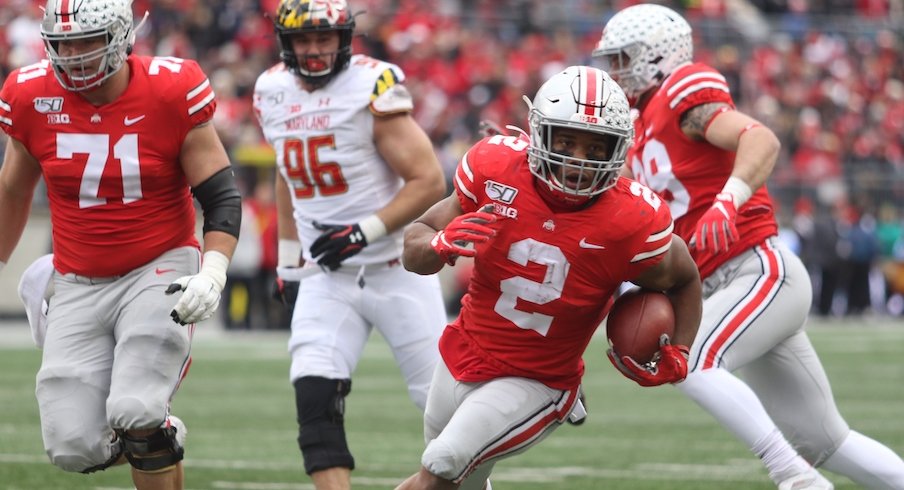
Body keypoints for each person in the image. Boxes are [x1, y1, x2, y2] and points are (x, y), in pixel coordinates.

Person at [592, 4, 904, 489]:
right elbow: (615, 198)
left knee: (690, 361)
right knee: (825, 442)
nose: (615, 70)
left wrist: (727, 202)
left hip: (756, 270)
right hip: (724, 285)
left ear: (657, 55)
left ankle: (795, 480)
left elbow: (759, 139)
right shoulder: (642, 125)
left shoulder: (681, 92)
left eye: (623, 57)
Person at [395, 65, 703, 490]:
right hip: (461, 351)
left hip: (538, 381)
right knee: (461, 482)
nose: (579, 160)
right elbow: (415, 246)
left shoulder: (631, 221)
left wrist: (681, 350)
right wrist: (438, 245)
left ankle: (564, 402)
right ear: (540, 134)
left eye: (597, 148)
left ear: (618, 149)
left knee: (442, 464)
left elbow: (684, 279)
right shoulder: (494, 168)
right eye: (567, 141)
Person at [0, 0, 241, 488]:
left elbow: (221, 194)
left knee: (136, 409)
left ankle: (150, 429)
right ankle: (157, 436)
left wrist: (213, 271)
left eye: (88, 40)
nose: (74, 55)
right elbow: (12, 190)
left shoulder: (171, 88)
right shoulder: (28, 95)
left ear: (122, 35)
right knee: (72, 446)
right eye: (64, 43)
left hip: (158, 264)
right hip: (76, 277)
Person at [252, 1, 448, 488]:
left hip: (396, 268)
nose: (315, 49)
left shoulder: (371, 84)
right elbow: (285, 175)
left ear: (345, 38)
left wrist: (364, 231)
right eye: (304, 39)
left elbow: (427, 181)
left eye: (325, 38)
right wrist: (286, 262)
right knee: (314, 397)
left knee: (445, 408)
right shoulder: (271, 90)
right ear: (286, 42)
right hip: (326, 274)